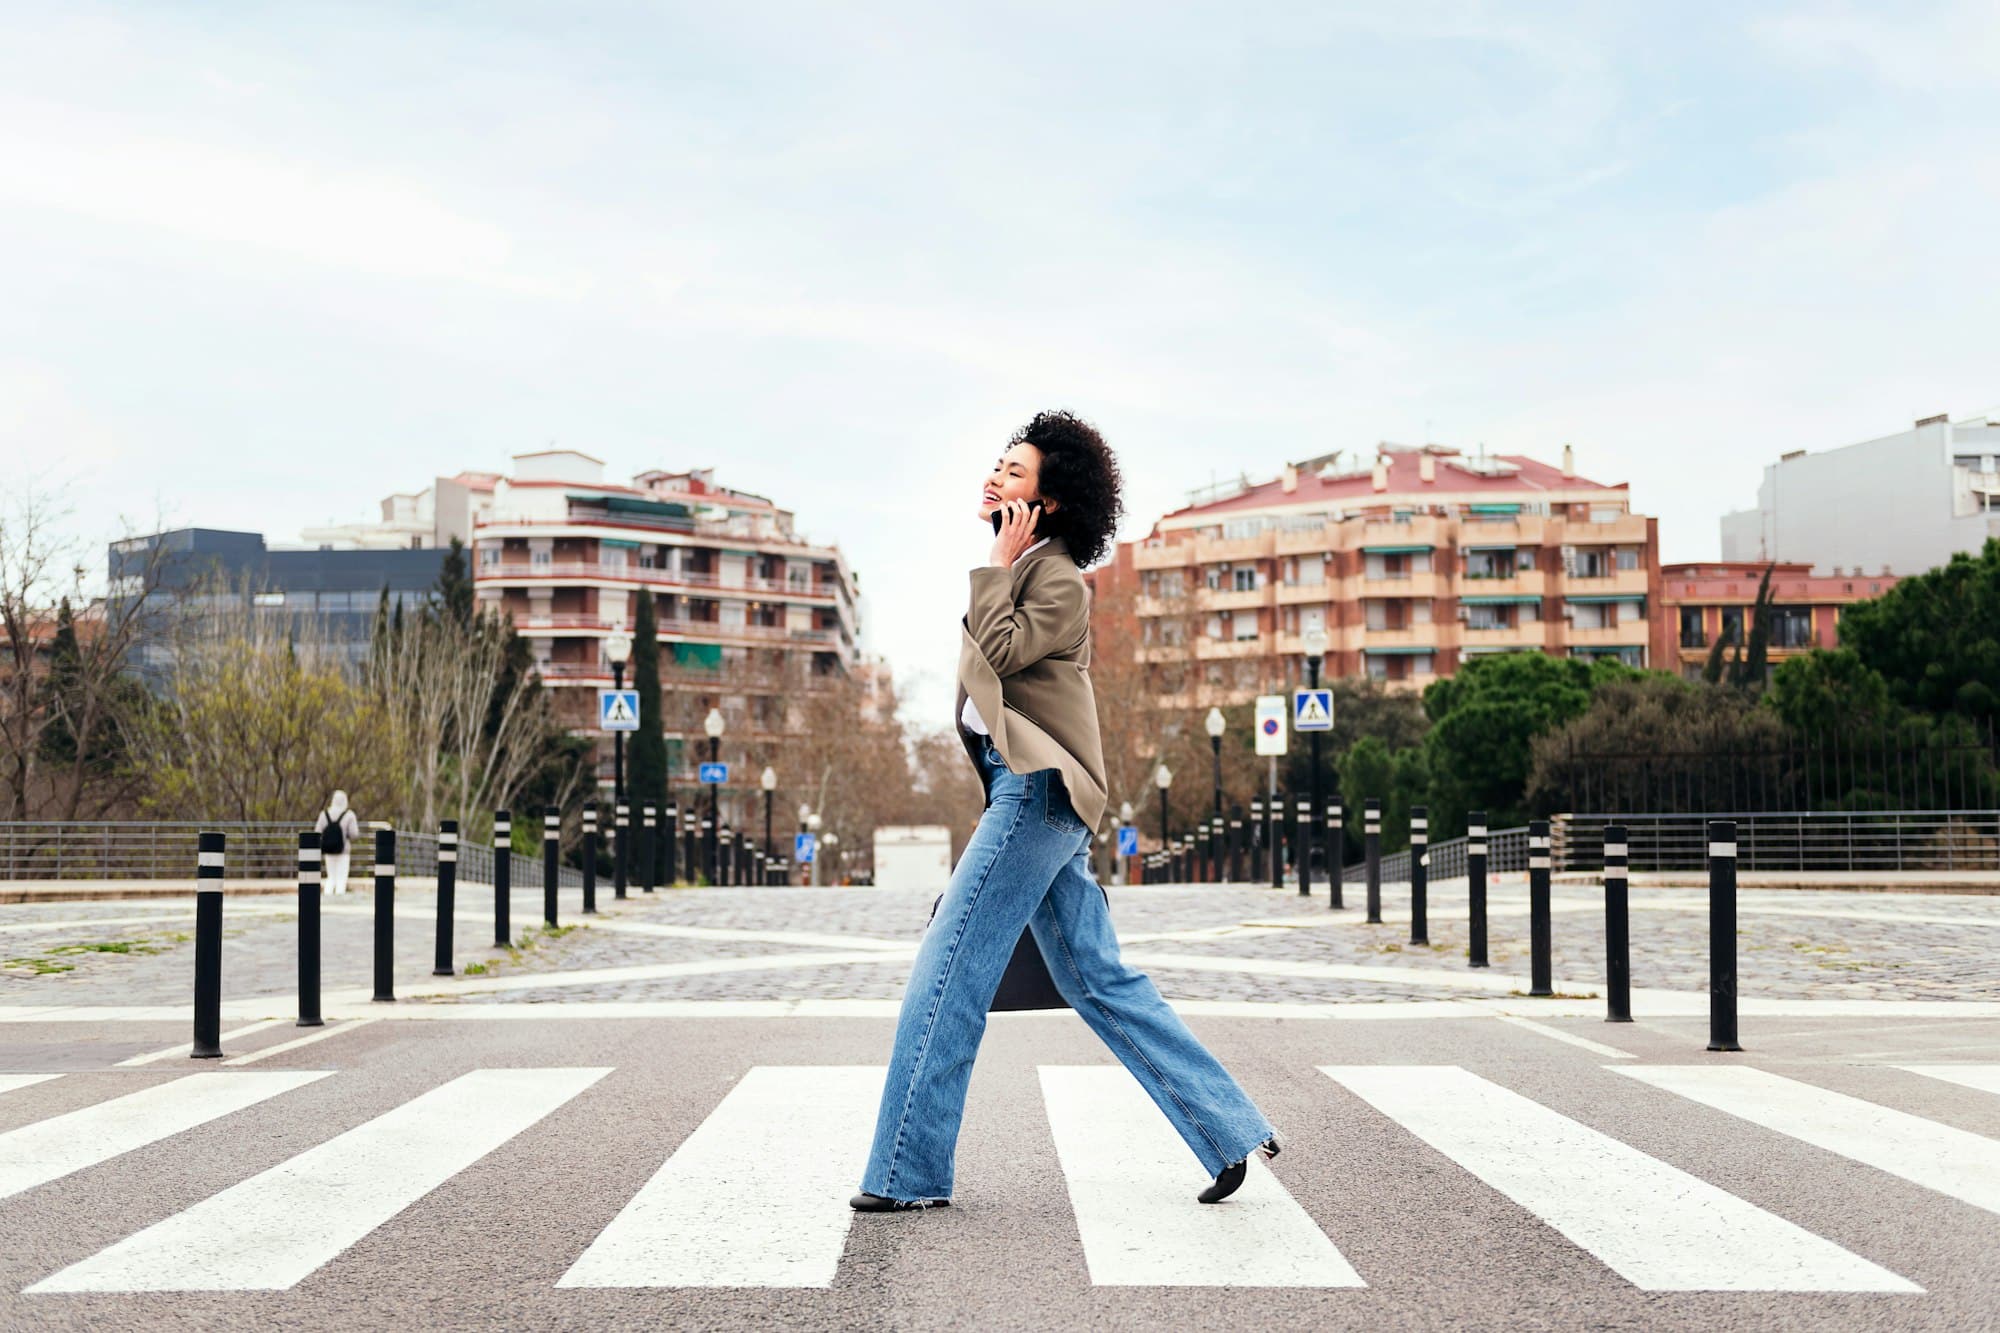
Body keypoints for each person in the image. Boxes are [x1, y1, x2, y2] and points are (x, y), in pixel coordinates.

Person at [852, 410, 1279, 1214]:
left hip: (1037, 795)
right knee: (1098, 979)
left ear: (1047, 502)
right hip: (1038, 795)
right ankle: (1226, 1126)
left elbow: (1001, 653)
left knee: (947, 973)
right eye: (997, 466)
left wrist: (995, 562)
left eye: (1014, 472)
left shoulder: (1055, 580)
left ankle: (905, 1172)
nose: (995, 478)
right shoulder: (1030, 571)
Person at [315, 791, 361, 895]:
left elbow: (317, 832)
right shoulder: (349, 815)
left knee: (331, 877)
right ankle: (339, 900)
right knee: (341, 878)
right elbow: (354, 834)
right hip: (343, 851)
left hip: (328, 850)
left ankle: (327, 898)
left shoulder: (324, 814)